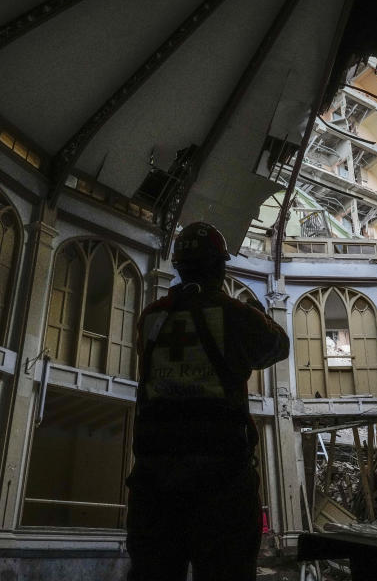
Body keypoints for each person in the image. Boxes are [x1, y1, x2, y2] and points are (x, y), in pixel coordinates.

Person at [127, 222, 289, 581]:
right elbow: (279, 344)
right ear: (220, 267)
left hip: (154, 482)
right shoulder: (235, 315)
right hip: (221, 483)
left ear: (180, 268)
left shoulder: (152, 317)